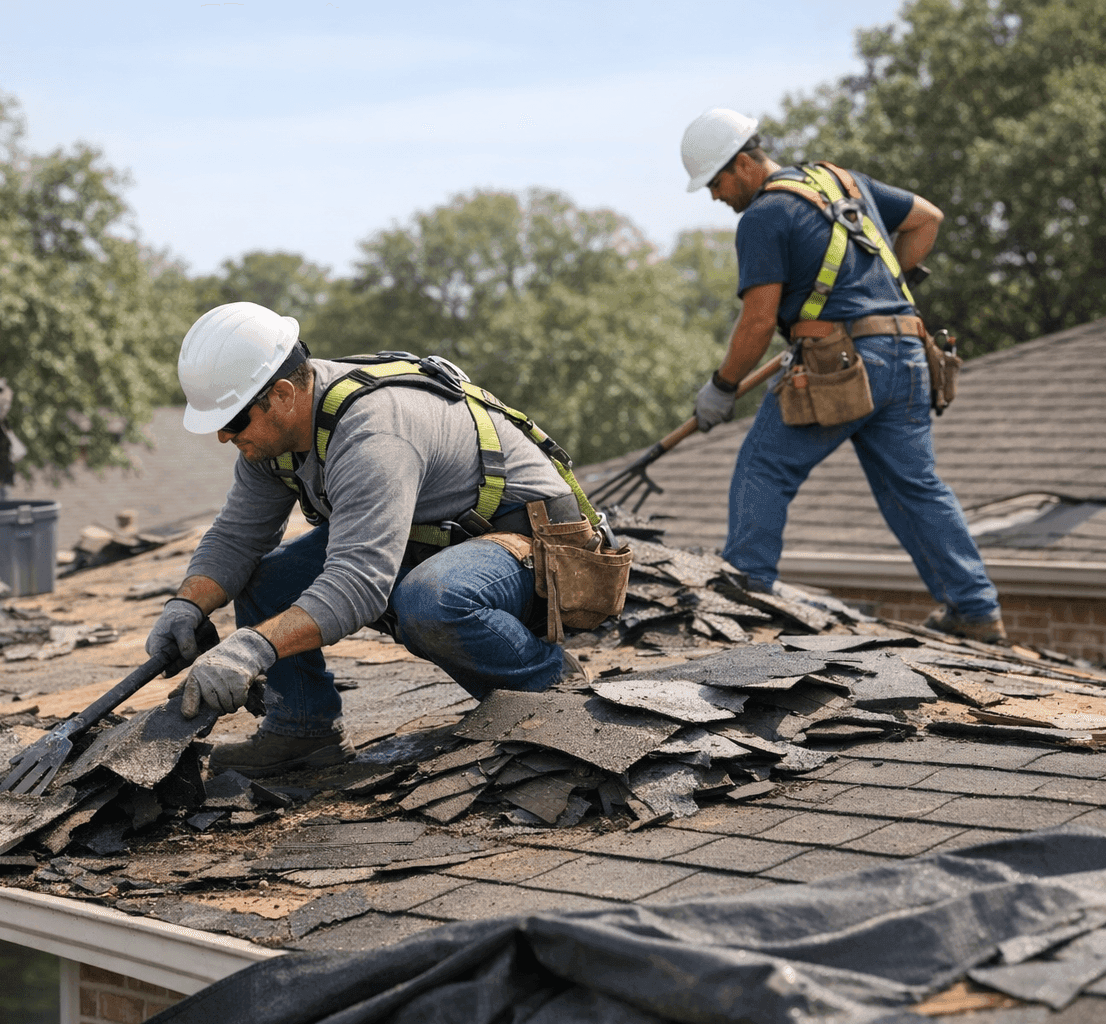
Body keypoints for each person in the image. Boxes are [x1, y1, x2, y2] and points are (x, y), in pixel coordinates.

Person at [146, 302, 618, 777]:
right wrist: (186, 605)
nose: (225, 437)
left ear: (284, 394)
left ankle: (555, 695)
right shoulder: (275, 437)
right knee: (268, 578)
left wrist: (250, 648)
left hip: (537, 548)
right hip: (436, 539)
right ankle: (302, 731)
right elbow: (236, 538)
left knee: (432, 600)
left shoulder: (373, 433)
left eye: (234, 421)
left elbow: (358, 585)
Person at [680, 107, 1004, 642]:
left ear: (742, 164)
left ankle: (745, 589)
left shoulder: (763, 217)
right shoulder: (842, 180)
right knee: (916, 487)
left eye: (715, 182)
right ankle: (974, 609)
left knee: (764, 466)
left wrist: (721, 387)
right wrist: (887, 289)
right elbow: (927, 218)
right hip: (908, 354)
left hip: (845, 367)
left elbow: (759, 321)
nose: (715, 196)